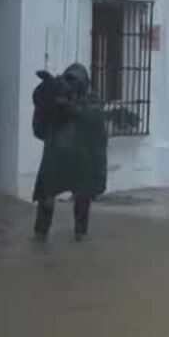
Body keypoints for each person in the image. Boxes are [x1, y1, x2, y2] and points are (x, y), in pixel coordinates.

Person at [31, 64, 108, 240]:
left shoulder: (88, 105)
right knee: (75, 198)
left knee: (56, 197)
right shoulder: (86, 103)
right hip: (73, 162)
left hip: (62, 161)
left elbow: (39, 131)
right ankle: (77, 235)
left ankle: (43, 236)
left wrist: (65, 106)